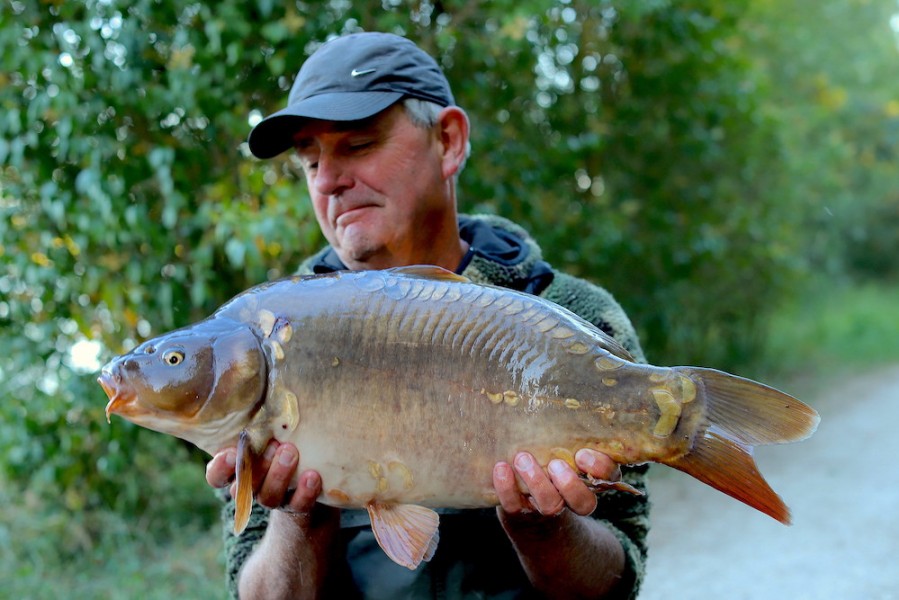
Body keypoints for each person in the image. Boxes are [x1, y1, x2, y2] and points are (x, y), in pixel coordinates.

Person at [205, 31, 649, 599]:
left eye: (359, 144)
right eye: (310, 160)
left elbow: (619, 582)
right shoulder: (266, 351)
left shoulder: (573, 317)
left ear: (449, 140)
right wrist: (299, 510)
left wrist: (544, 526)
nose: (328, 180)